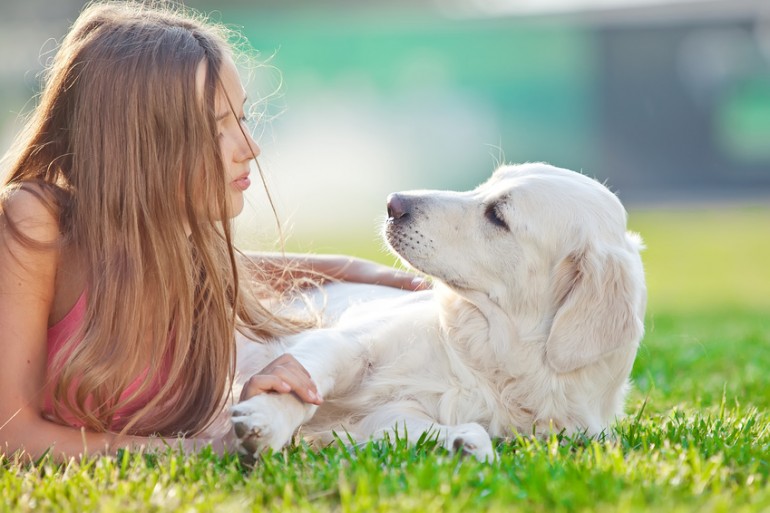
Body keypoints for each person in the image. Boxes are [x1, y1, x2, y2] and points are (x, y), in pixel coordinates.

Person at [0, 1, 424, 461]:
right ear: (143, 140)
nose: (250, 148)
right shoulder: (34, 220)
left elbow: (261, 271)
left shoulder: (188, 256)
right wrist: (205, 452)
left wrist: (251, 416)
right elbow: (11, 436)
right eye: (217, 127)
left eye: (242, 118)